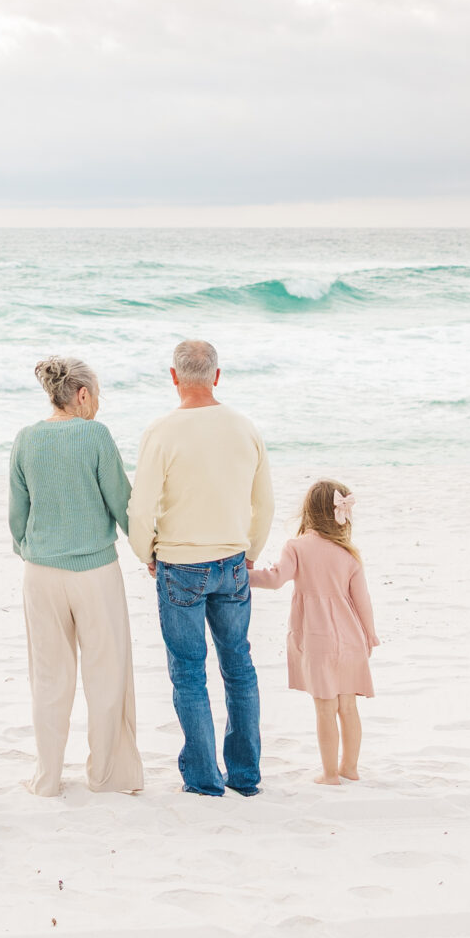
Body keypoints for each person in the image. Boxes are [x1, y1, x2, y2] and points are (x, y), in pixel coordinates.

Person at [128, 337, 274, 797]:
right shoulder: (244, 426)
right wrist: (250, 551)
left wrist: (145, 552)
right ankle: (246, 777)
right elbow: (264, 502)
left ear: (174, 378)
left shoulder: (161, 431)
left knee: (189, 672)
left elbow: (140, 507)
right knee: (239, 665)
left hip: (179, 564)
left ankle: (205, 780)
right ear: (217, 375)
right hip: (232, 560)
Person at [7, 356, 142, 796]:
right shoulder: (95, 435)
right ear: (82, 395)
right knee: (107, 673)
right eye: (96, 395)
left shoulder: (25, 439)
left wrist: (31, 551)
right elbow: (122, 503)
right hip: (95, 571)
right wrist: (148, 552)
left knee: (48, 677)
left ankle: (47, 778)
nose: (97, 403)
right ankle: (107, 775)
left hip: (40, 574)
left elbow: (17, 516)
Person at [250, 479, 379, 785]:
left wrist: (242, 574)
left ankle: (330, 774)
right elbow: (363, 601)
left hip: (318, 640)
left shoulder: (297, 547)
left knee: (325, 708)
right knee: (348, 706)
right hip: (351, 638)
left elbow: (275, 579)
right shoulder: (349, 553)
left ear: (307, 512)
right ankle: (350, 767)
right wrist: (370, 636)